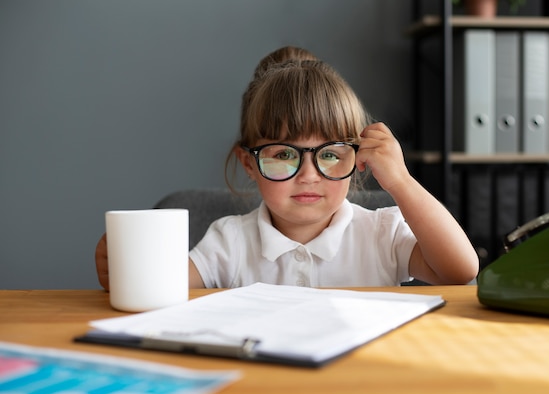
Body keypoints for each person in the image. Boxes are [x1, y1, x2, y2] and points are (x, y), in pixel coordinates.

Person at [96, 46, 478, 290]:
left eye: (329, 153)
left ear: (356, 157)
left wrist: (403, 183)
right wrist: (124, 267)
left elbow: (460, 270)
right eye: (283, 155)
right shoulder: (228, 242)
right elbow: (165, 290)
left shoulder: (381, 233)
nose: (309, 174)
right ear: (249, 163)